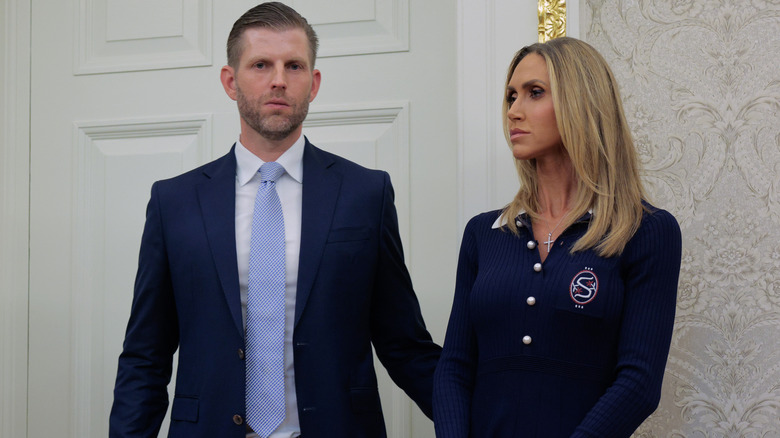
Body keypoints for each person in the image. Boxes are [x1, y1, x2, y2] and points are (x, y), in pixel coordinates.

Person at [109, 3, 441, 437]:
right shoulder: (175, 201)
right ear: (231, 81)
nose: (279, 80)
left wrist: (484, 416)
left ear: (314, 82)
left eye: (295, 65)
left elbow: (405, 345)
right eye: (261, 64)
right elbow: (145, 356)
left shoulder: (365, 194)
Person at [432, 37, 682, 437]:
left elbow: (639, 382)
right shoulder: (484, 233)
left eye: (534, 93)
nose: (513, 111)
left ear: (582, 103)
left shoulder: (646, 231)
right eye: (511, 96)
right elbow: (455, 366)